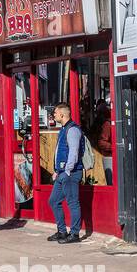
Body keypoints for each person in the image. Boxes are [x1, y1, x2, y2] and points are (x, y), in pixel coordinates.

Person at [48, 102, 84, 243]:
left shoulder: (73, 130)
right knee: (54, 201)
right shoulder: (64, 129)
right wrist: (57, 171)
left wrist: (67, 171)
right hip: (62, 173)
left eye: (55, 113)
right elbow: (61, 152)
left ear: (62, 114)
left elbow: (74, 154)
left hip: (71, 173)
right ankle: (62, 231)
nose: (54, 115)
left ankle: (74, 234)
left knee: (73, 203)